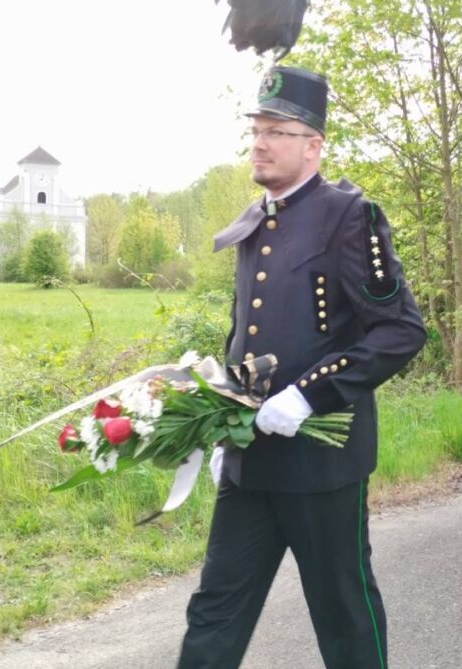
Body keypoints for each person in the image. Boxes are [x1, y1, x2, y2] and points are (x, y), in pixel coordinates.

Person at [178, 66, 427, 669]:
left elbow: (400, 331)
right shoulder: (255, 218)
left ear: (313, 144)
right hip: (250, 460)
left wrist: (308, 396)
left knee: (343, 614)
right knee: (215, 610)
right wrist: (220, 421)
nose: (259, 142)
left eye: (276, 131)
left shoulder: (348, 216)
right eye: (256, 129)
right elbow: (248, 330)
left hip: (322, 465)